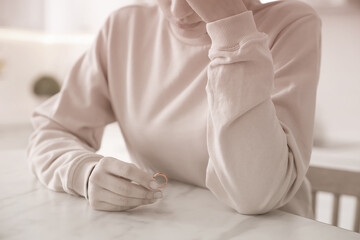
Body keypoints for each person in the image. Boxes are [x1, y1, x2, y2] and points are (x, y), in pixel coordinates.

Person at [26, 0, 322, 218]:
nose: (179, 12)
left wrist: (231, 30)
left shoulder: (291, 24)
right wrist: (84, 172)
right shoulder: (124, 27)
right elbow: (52, 130)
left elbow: (256, 195)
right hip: (167, 225)